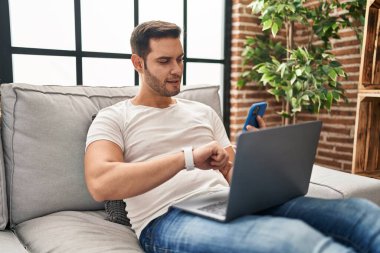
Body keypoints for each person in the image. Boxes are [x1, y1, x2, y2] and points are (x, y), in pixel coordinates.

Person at [84, 20, 380, 253]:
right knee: (292, 241)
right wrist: (187, 158)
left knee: (361, 212)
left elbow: (235, 177)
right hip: (167, 219)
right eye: (164, 61)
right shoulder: (115, 117)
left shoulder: (202, 112)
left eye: (180, 59)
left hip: (228, 201)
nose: (177, 70)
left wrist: (259, 155)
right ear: (138, 63)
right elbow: (101, 183)